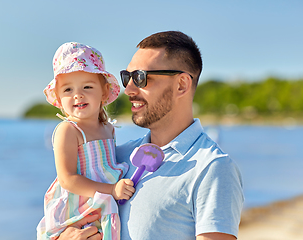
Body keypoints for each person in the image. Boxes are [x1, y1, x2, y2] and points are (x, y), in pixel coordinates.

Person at [59, 31, 244, 240]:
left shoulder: (212, 168)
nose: (127, 89)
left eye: (140, 78)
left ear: (181, 84)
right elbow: (70, 214)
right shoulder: (116, 159)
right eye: (127, 77)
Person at [37, 42, 135, 240]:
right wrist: (111, 190)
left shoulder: (108, 129)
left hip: (102, 200)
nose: (77, 95)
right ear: (58, 97)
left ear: (104, 92)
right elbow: (68, 179)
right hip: (77, 207)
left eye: (87, 87)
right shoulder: (68, 130)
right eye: (67, 90)